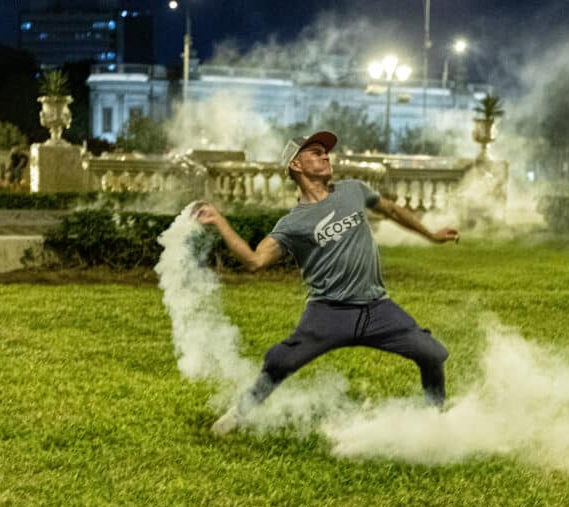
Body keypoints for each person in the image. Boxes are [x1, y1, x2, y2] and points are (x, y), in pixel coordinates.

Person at [193, 131, 459, 435]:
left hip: (377, 308)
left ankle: (436, 422)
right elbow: (255, 261)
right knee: (280, 362)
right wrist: (220, 222)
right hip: (329, 313)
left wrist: (431, 235)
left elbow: (392, 210)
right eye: (316, 152)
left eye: (325, 152)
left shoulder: (353, 190)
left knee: (432, 354)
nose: (325, 156)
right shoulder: (293, 223)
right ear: (296, 164)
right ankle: (239, 414)